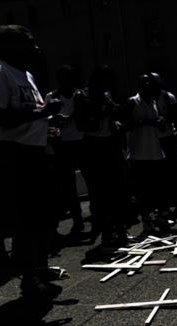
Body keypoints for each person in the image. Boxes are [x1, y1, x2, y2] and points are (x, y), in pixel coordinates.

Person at [0, 25, 64, 301]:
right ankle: (29, 278)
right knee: (25, 219)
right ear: (12, 47)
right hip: (12, 154)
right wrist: (40, 112)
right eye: (29, 42)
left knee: (40, 216)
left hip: (33, 151)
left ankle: (38, 269)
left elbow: (30, 113)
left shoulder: (27, 74)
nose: (36, 46)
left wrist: (47, 123)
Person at [73, 65, 130, 246]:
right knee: (99, 192)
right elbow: (82, 125)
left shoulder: (106, 95)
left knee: (118, 188)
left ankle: (119, 227)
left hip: (110, 144)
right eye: (104, 81)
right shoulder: (82, 96)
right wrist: (102, 114)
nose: (107, 85)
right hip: (93, 147)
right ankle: (106, 230)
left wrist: (116, 120)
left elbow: (112, 116)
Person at [123, 73, 171, 235]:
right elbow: (124, 124)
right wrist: (147, 122)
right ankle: (147, 221)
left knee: (160, 188)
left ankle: (162, 218)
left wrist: (160, 124)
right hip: (138, 153)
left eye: (151, 84)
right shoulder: (133, 102)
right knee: (143, 190)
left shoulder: (154, 102)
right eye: (145, 83)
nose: (149, 87)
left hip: (155, 151)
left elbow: (157, 125)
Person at [45, 65, 85, 233]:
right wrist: (56, 120)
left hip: (82, 140)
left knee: (91, 177)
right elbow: (46, 117)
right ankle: (77, 219)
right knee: (68, 184)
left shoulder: (80, 95)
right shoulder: (52, 96)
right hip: (62, 143)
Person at [150, 72, 177, 217]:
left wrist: (165, 119)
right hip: (155, 139)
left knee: (173, 171)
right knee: (159, 174)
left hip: (168, 137)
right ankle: (164, 204)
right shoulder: (146, 99)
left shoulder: (168, 97)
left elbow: (176, 115)